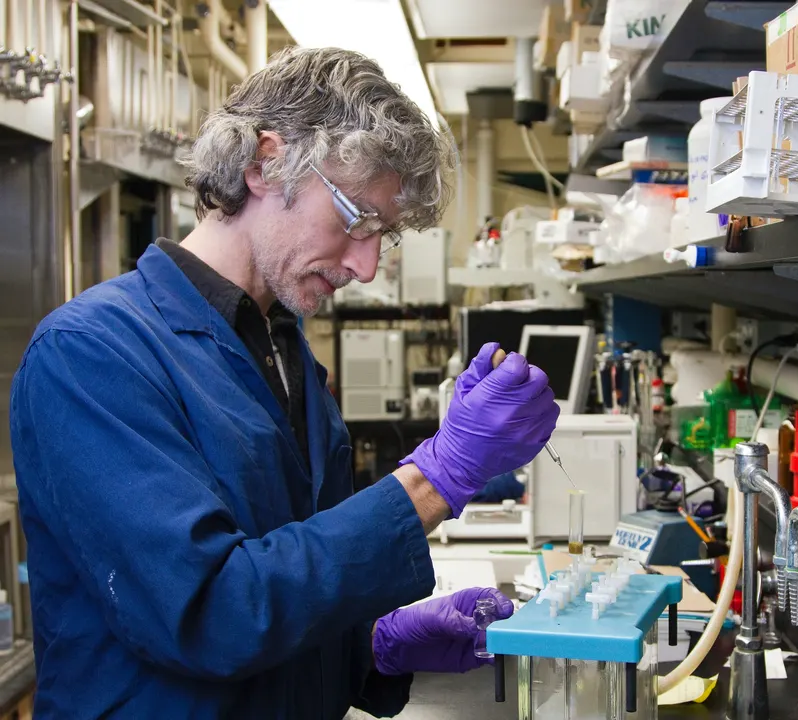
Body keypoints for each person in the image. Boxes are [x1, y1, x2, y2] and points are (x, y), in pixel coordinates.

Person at [9, 47, 560, 718]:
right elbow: (211, 614)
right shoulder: (93, 354)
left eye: (382, 233)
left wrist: (375, 646)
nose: (366, 264)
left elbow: (294, 580)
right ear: (264, 162)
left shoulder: (284, 351)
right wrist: (435, 479)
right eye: (357, 218)